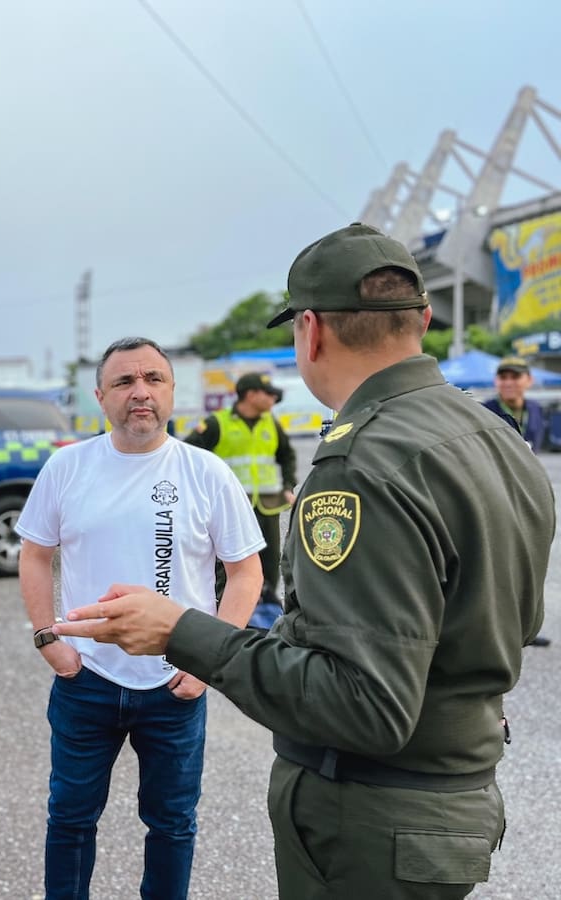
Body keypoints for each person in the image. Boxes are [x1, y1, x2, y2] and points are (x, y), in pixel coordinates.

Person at [54, 224, 554, 899]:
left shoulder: (364, 461)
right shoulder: (495, 436)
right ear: (423, 319)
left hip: (373, 820)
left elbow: (366, 706)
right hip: (451, 803)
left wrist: (183, 633)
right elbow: (507, 623)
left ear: (311, 331)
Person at [16, 336, 264, 900]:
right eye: (125, 382)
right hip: (87, 682)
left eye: (153, 379)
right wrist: (47, 637)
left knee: (172, 824)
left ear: (173, 393)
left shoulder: (207, 473)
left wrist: (209, 663)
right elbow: (35, 554)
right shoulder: (67, 467)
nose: (140, 392)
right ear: (101, 395)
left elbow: (246, 573)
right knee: (71, 820)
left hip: (175, 685)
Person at [185, 371, 297, 622]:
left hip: (266, 508)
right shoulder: (216, 424)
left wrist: (288, 485)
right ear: (250, 395)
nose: (273, 401)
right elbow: (188, 456)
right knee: (230, 569)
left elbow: (286, 455)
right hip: (229, 511)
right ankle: (228, 622)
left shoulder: (271, 423)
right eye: (268, 395)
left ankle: (264, 621)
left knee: (268, 569)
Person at [482, 356, 546, 453]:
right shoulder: (485, 411)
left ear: (529, 380)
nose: (508, 383)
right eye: (503, 378)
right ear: (496, 381)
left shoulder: (536, 409)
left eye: (515, 377)